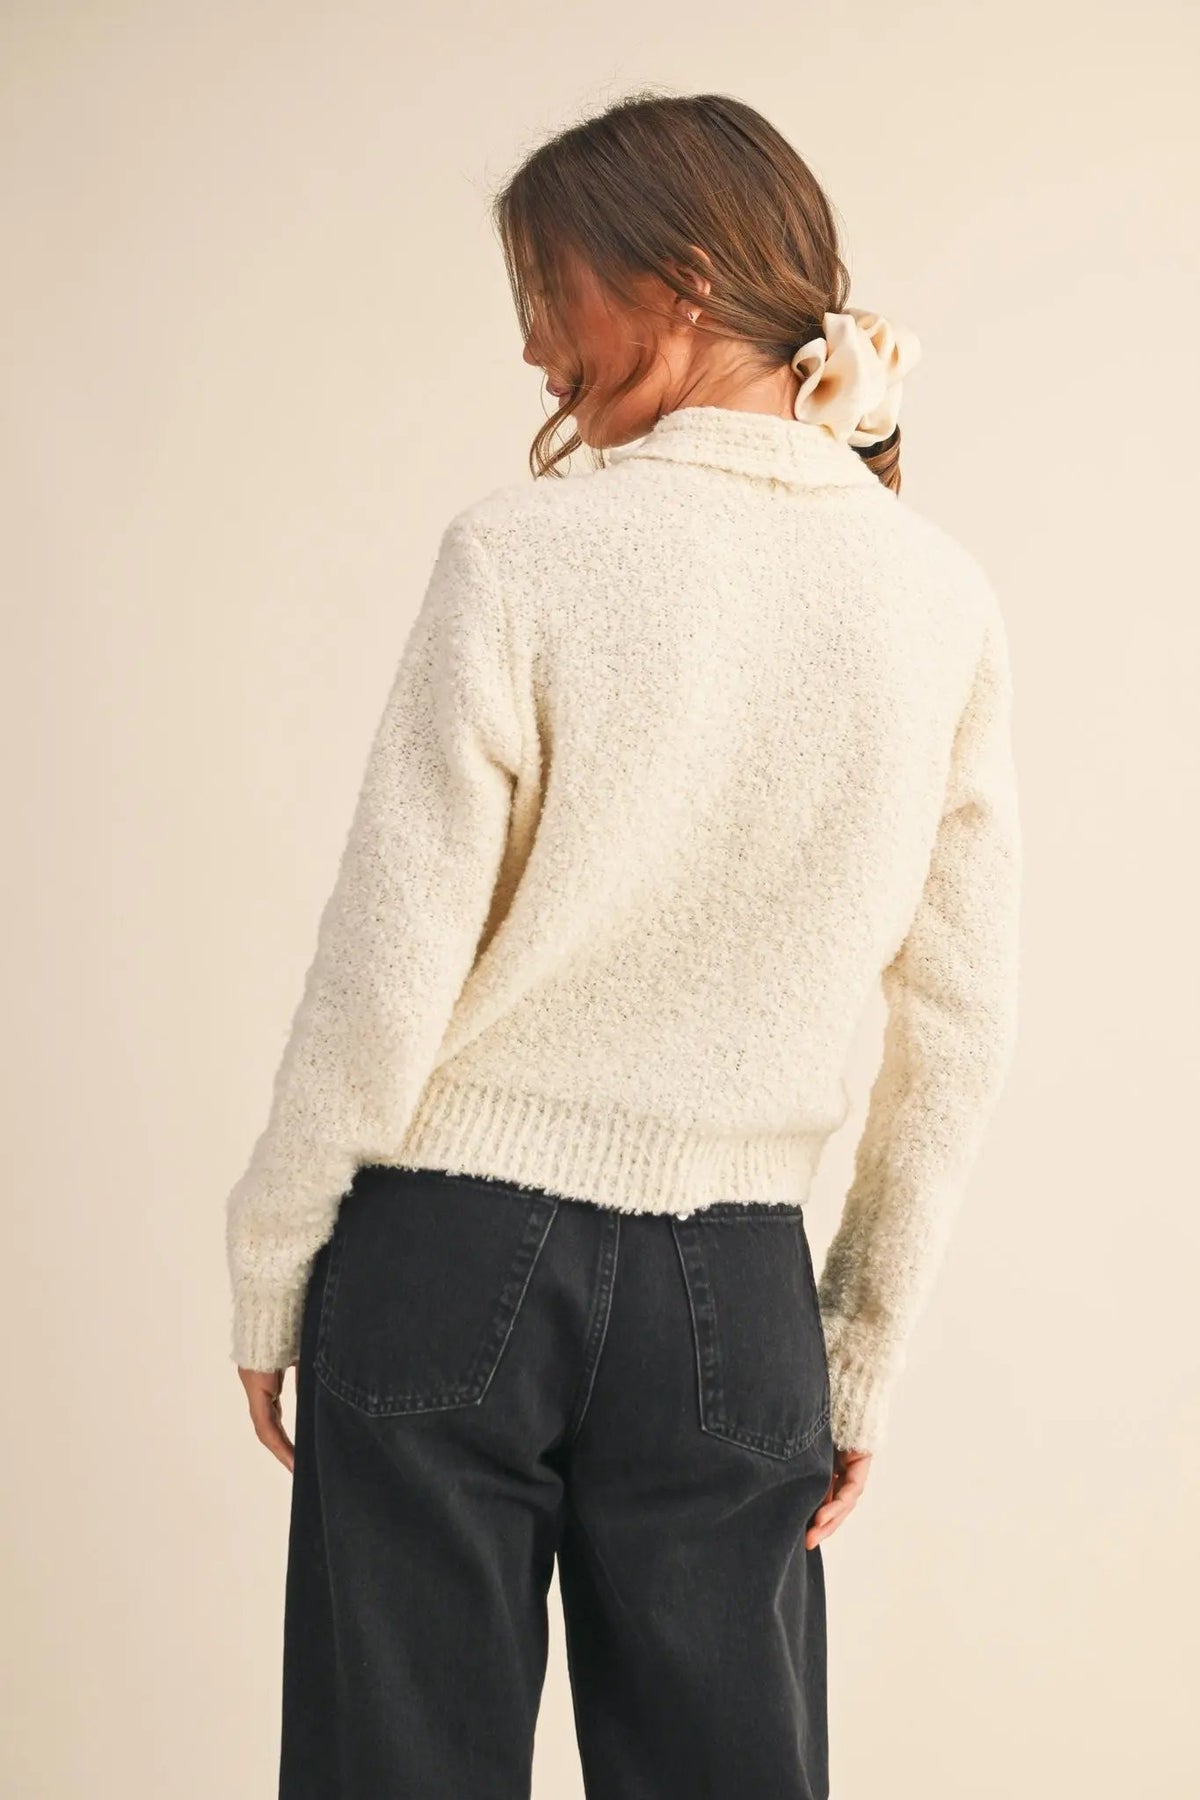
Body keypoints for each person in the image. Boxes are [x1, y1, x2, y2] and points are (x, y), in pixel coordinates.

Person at [225, 90, 1021, 1800]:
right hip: (735, 1294)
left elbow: (386, 959)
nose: (530, 348)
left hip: (444, 1259)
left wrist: (275, 1251)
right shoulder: (936, 596)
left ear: (681, 278)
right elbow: (960, 1024)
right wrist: (860, 1348)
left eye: (547, 291)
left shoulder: (522, 557)